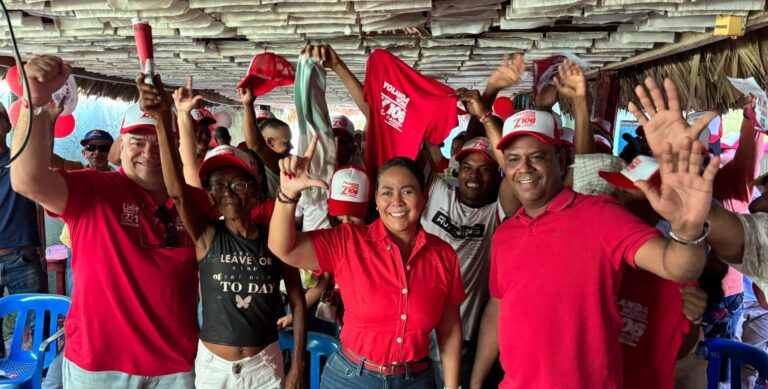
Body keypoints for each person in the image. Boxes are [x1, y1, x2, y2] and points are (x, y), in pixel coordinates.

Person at [467, 54, 718, 389]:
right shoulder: (507, 233)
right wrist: (473, 383)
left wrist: (687, 229)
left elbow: (676, 266)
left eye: (536, 156)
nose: (522, 168)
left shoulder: (600, 215)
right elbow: (498, 309)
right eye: (513, 159)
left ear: (561, 158)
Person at [10, 55, 202, 388]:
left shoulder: (195, 203)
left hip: (177, 364)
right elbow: (28, 180)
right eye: (137, 142)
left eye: (160, 142)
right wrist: (34, 105)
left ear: (176, 146)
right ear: (121, 146)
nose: (148, 152)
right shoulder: (96, 190)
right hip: (98, 365)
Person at [136, 74, 306, 388]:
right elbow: (177, 192)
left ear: (256, 191)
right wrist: (164, 120)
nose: (227, 192)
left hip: (265, 367)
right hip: (214, 370)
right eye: (217, 186)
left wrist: (297, 364)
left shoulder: (277, 240)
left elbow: (297, 300)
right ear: (210, 194)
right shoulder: (206, 235)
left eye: (237, 183)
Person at [268, 144, 464, 388]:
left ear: (424, 197)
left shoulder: (443, 255)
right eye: (387, 193)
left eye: (407, 192)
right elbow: (282, 247)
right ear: (376, 199)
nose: (397, 202)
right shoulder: (348, 241)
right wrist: (286, 195)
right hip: (351, 377)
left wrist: (452, 386)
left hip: (415, 380)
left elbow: (450, 330)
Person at [0, 99, 47, 360]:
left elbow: (41, 150)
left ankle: (40, 377)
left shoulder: (20, 160)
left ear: (7, 124)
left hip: (21, 257)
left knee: (37, 324)